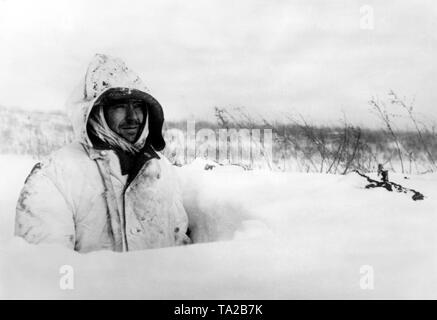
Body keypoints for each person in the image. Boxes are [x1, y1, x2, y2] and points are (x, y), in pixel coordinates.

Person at [14, 54, 191, 253]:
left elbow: (179, 249)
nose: (133, 117)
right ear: (96, 112)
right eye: (120, 107)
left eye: (138, 106)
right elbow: (45, 267)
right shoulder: (55, 175)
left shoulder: (161, 169)